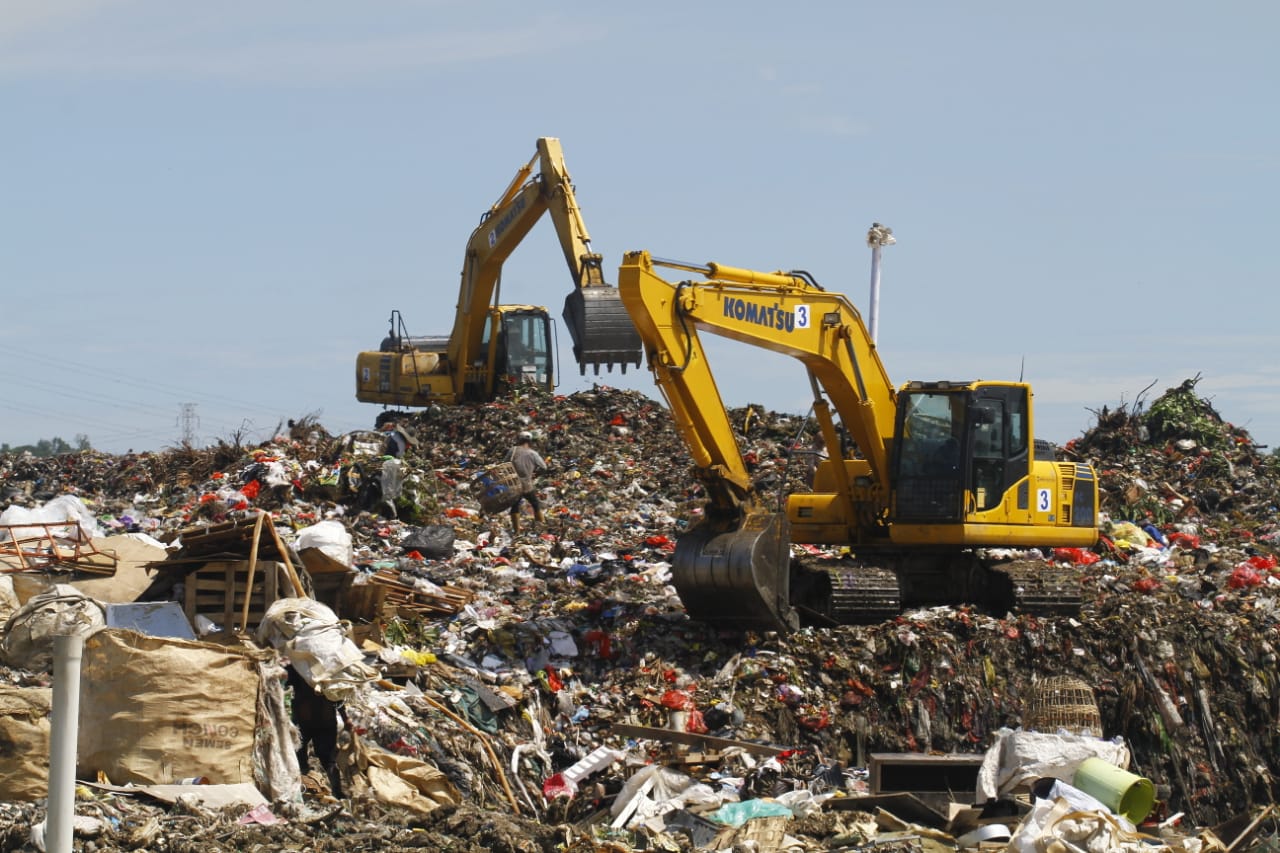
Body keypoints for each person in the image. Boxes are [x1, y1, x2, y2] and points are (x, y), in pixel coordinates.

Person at [506, 431, 548, 533]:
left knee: (515, 507)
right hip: (528, 484)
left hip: (514, 484)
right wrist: (535, 474)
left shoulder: (513, 451)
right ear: (530, 441)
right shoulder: (533, 453)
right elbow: (544, 467)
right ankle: (542, 528)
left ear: (519, 439)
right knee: (535, 505)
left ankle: (516, 532)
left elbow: (504, 464)